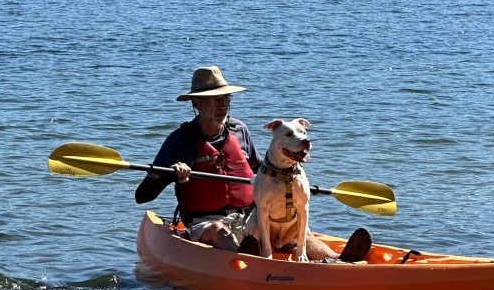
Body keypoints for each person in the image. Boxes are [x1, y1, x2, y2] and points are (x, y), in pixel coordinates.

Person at [135, 65, 371, 262]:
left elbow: (262, 173)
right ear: (196, 103)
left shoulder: (240, 131)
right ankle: (249, 265)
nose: (222, 105)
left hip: (251, 217)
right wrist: (172, 174)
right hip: (206, 223)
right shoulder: (180, 141)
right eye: (213, 100)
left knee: (296, 231)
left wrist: (290, 172)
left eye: (225, 98)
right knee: (221, 232)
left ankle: (341, 264)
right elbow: (143, 195)